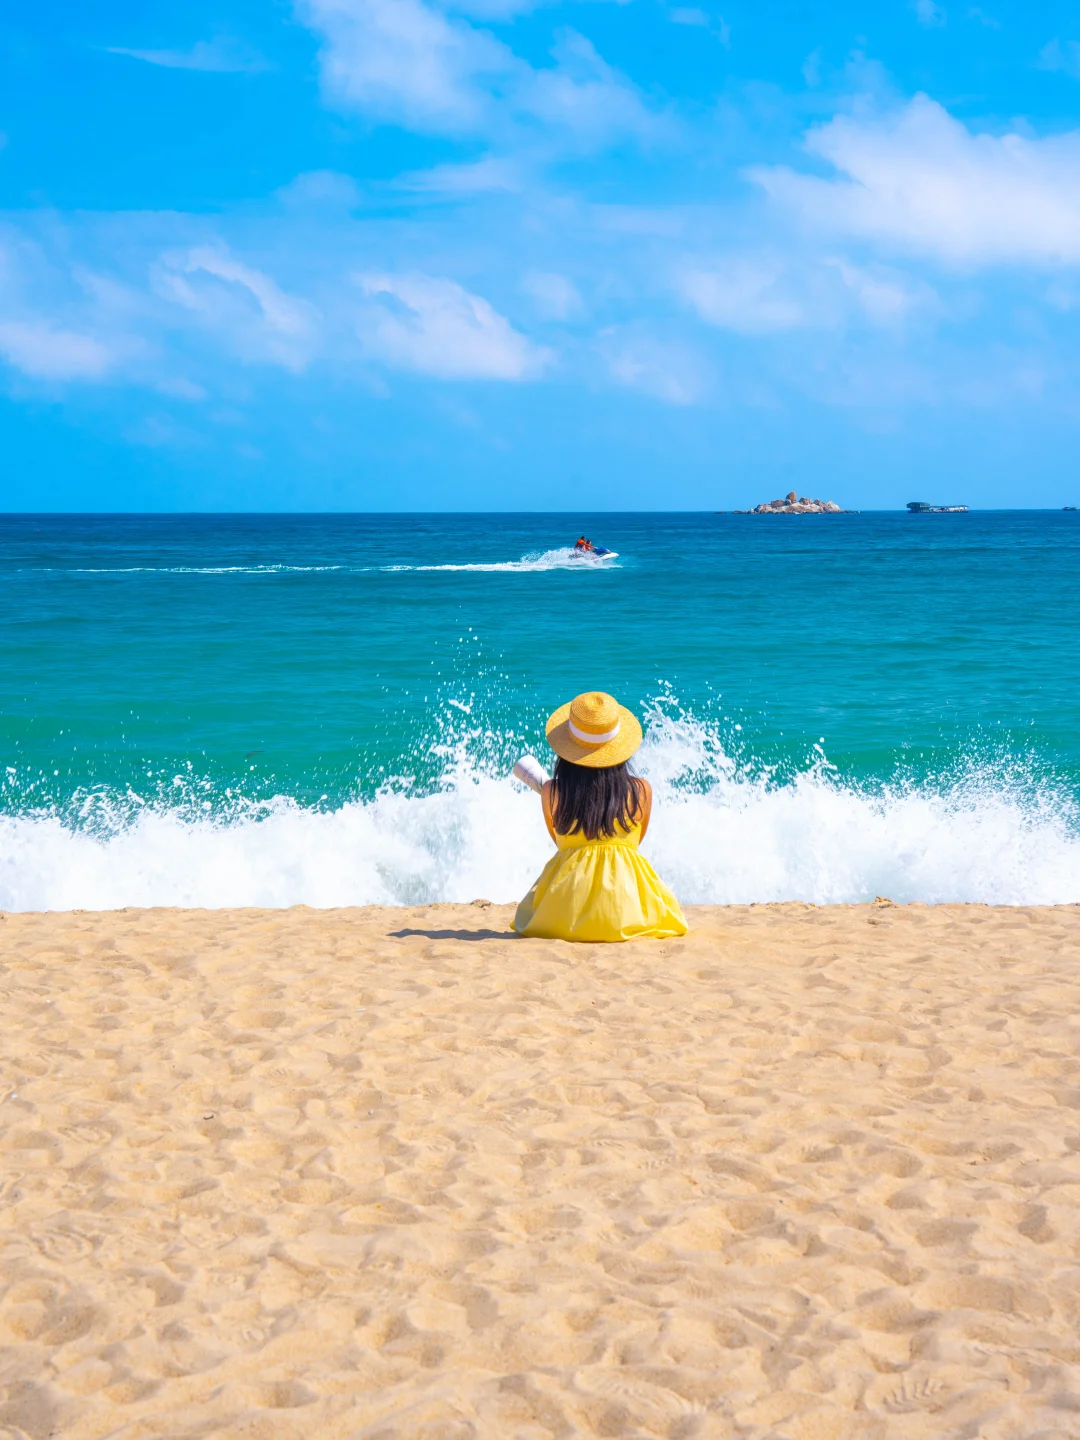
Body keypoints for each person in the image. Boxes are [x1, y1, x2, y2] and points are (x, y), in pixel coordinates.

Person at [513, 691, 688, 942]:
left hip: (564, 912)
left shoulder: (551, 791)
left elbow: (562, 843)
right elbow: (632, 845)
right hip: (626, 911)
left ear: (567, 748)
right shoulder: (642, 790)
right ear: (619, 747)